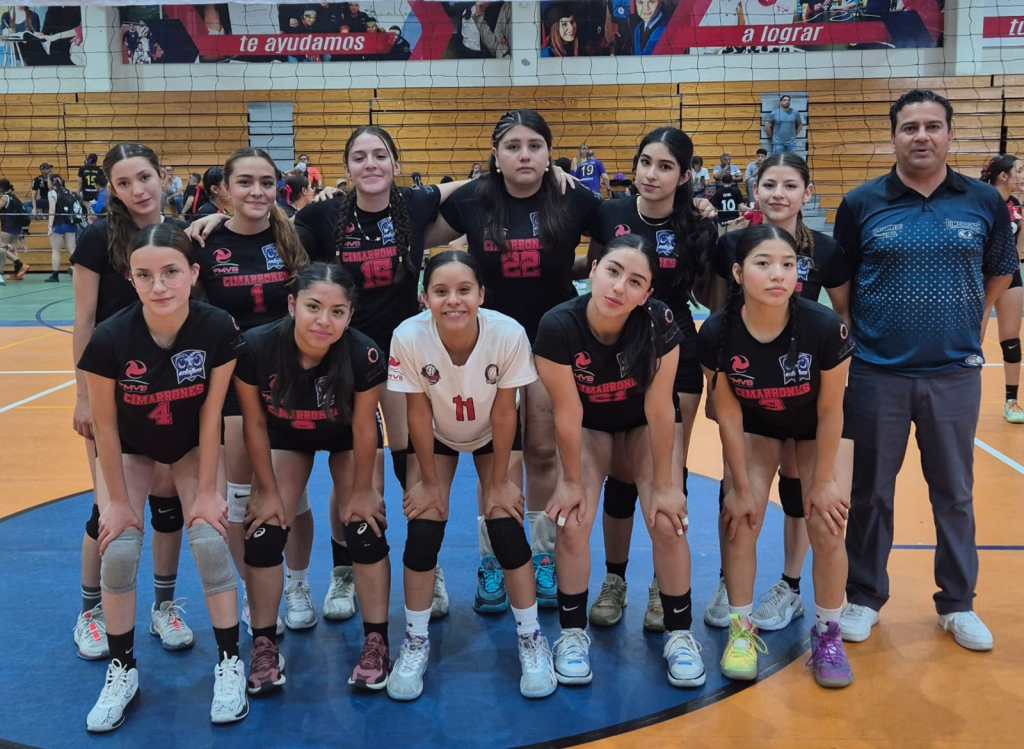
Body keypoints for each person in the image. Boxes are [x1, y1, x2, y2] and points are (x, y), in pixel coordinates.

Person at [835, 90, 1017, 652]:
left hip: (954, 374)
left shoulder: (984, 201)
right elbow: (841, 287)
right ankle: (864, 597)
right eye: (909, 126)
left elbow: (1000, 274)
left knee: (955, 493)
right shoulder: (862, 204)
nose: (921, 136)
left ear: (950, 135)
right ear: (892, 137)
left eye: (932, 126)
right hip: (876, 374)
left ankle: (958, 604)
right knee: (870, 494)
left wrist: (973, 319)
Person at [292, 126, 468, 619]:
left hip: (404, 356)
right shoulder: (324, 215)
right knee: (351, 469)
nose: (370, 164)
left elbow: (466, 189)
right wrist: (215, 220)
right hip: (345, 358)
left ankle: (425, 569)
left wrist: (548, 172)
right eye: (359, 157)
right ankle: (345, 570)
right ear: (346, 168)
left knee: (412, 463)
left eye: (379, 155)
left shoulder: (412, 205)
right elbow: (270, 227)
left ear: (394, 163)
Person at [78, 223, 247, 732]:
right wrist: (115, 501)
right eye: (145, 275)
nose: (159, 286)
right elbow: (105, 428)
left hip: (193, 446)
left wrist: (211, 491)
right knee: (121, 543)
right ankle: (122, 667)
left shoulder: (217, 327)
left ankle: (229, 661)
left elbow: (212, 412)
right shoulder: (110, 338)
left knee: (210, 536)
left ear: (193, 274)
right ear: (131, 280)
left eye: (171, 272)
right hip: (132, 449)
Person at [434, 109, 601, 612]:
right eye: (512, 146)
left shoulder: (573, 199)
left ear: (550, 152)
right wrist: (336, 199)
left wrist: (694, 207)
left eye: (534, 146)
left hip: (553, 341)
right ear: (496, 154)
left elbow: (623, 229)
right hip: (488, 344)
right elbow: (411, 229)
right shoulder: (472, 200)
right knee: (496, 458)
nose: (524, 155)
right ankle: (495, 558)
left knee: (545, 452)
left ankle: (544, 556)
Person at [534, 234, 704, 689]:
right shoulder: (557, 325)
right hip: (589, 428)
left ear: (647, 294)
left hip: (642, 428)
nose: (619, 287)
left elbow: (660, 406)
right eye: (612, 271)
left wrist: (669, 483)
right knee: (573, 520)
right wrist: (570, 481)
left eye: (635, 281)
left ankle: (681, 633)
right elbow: (567, 414)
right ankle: (571, 635)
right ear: (593, 270)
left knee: (669, 519)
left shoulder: (660, 321)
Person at [386, 251, 557, 700]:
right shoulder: (408, 335)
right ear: (425, 297)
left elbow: (506, 412)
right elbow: (417, 413)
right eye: (441, 291)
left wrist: (499, 481)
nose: (453, 300)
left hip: (492, 434)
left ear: (481, 293)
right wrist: (425, 480)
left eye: (464, 290)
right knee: (424, 529)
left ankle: (530, 636)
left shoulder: (508, 333)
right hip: (437, 433)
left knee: (504, 525)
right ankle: (416, 639)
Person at [699, 224, 856, 687]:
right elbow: (726, 414)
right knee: (740, 518)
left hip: (815, 429)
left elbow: (831, 411)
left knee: (827, 522)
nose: (777, 274)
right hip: (758, 427)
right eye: (763, 263)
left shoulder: (825, 326)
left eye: (788, 265)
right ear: (737, 272)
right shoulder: (716, 333)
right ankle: (741, 631)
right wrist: (740, 487)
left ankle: (829, 635)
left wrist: (824, 482)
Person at [235, 262, 391, 694]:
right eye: (313, 307)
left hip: (343, 436)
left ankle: (377, 640)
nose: (324, 321)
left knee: (365, 526)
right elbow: (254, 425)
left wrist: (361, 491)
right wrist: (265, 491)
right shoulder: (256, 347)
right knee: (264, 530)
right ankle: (265, 644)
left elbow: (365, 427)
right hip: (287, 436)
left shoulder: (362, 352)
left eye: (337, 312)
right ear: (292, 304)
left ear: (350, 315)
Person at [587, 127, 718, 632]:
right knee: (620, 474)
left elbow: (710, 298)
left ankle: (664, 590)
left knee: (668, 473)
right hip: (611, 351)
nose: (651, 174)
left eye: (665, 166)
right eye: (645, 162)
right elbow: (594, 268)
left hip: (674, 349)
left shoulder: (696, 226)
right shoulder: (612, 213)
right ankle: (614, 581)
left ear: (684, 176)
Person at [71, 143, 197, 662]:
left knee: (168, 504)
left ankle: (164, 606)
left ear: (163, 176)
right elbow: (84, 321)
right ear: (112, 189)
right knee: (110, 506)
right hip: (112, 391)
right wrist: (81, 394)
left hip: (171, 390)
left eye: (144, 177)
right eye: (123, 183)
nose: (137, 190)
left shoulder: (188, 233)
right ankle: (91, 612)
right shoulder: (99, 238)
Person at [189, 148, 313, 634]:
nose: (257, 192)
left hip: (290, 379)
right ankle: (256, 591)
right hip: (236, 384)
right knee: (241, 500)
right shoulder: (203, 241)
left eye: (266, 182)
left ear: (278, 187)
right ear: (225, 190)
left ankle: (299, 584)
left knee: (292, 498)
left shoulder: (294, 240)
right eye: (245, 182)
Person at [979, 154, 1024, 423]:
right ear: (1003, 176)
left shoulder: (1016, 204)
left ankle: (1012, 401)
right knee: (975, 337)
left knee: (1011, 337)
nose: (1022, 175)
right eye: (1018, 171)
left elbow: (1018, 242)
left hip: (1010, 274)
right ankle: (961, 395)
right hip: (981, 275)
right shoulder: (982, 200)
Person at [46, 175, 81, 282]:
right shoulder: (69, 192)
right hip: (71, 223)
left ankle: (55, 275)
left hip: (58, 223)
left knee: (56, 250)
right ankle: (81, 270)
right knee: (72, 249)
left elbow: (52, 210)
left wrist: (50, 227)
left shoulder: (52, 193)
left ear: (52, 182)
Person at [0, 179, 30, 281]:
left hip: (7, 227)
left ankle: (20, 264)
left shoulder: (5, 197)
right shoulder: (15, 197)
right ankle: (17, 273)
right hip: (16, 229)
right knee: (12, 249)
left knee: (2, 249)